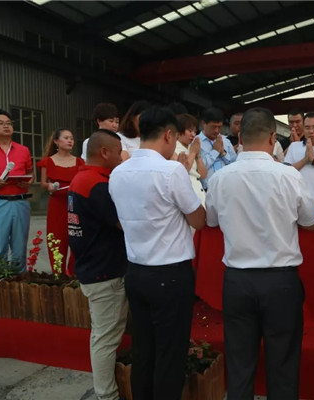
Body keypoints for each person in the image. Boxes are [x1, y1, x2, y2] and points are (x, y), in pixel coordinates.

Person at [206, 107, 314, 400]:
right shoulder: (289, 176)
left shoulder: (220, 178)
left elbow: (211, 221)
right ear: (272, 138)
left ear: (240, 138)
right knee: (283, 366)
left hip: (238, 281)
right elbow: (309, 221)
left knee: (240, 365)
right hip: (280, 281)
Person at [109, 106, 206, 400]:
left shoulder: (118, 172)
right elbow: (198, 219)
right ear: (168, 135)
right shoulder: (171, 170)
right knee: (170, 353)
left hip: (136, 271)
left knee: (143, 349)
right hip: (170, 273)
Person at [68, 129, 128, 400]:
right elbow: (123, 222)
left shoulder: (82, 178)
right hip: (105, 272)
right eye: (118, 152)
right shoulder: (96, 185)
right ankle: (107, 395)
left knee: (102, 335)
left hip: (93, 267)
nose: (121, 157)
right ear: (104, 152)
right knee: (105, 338)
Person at [0, 108, 34, 273]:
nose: (6, 126)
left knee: (19, 248)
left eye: (8, 123)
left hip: (20, 202)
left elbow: (31, 173)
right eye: (0, 123)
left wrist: (27, 181)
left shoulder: (23, 150)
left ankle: (19, 282)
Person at [37, 128, 85, 276]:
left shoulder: (79, 162)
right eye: (66, 138)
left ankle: (74, 274)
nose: (70, 141)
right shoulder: (48, 161)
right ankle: (58, 275)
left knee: (77, 237)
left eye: (72, 138)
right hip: (57, 204)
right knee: (57, 238)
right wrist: (49, 186)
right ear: (56, 141)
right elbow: (43, 183)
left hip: (74, 205)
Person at [197, 107, 237, 190]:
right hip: (207, 189)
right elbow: (197, 169)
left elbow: (235, 164)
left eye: (219, 127)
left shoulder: (226, 141)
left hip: (227, 188)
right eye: (213, 127)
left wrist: (223, 153)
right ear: (203, 123)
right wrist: (215, 152)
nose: (217, 130)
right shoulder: (195, 142)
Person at [173, 113, 207, 206]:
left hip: (198, 188)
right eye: (190, 131)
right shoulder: (174, 147)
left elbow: (203, 175)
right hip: (186, 191)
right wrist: (193, 153)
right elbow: (182, 171)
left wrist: (197, 155)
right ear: (179, 130)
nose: (193, 135)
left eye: (195, 132)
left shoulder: (192, 148)